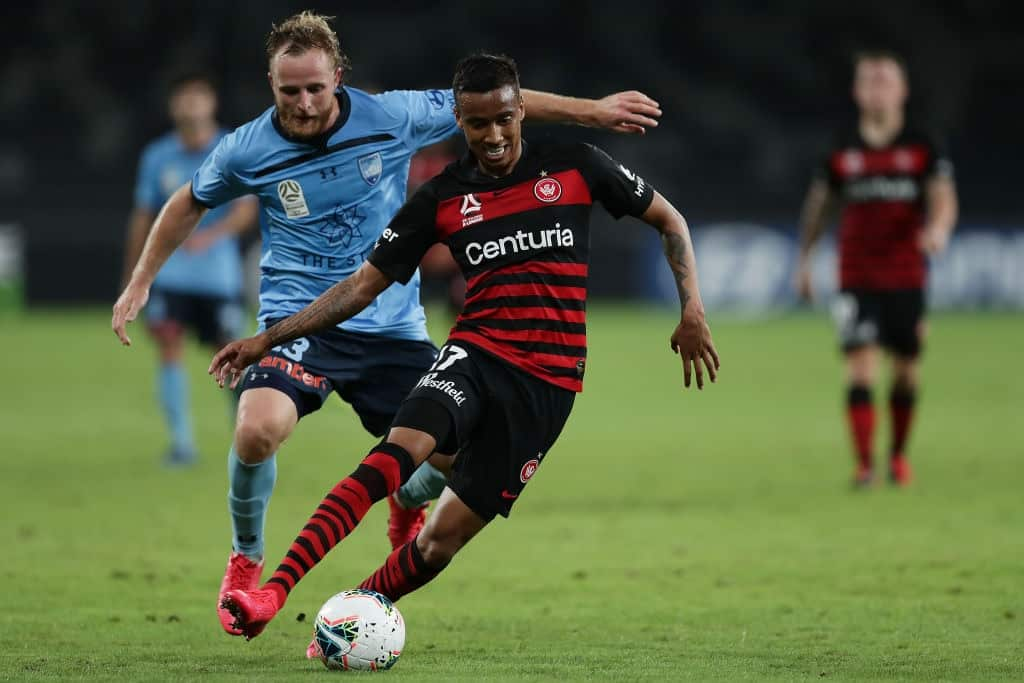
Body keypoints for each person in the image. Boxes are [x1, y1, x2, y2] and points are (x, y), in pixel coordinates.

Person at [110, 12, 665, 635]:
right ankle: (245, 558)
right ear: (271, 85)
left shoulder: (394, 115)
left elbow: (492, 102)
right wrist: (141, 279)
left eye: (315, 87)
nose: (303, 102)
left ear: (337, 77)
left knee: (454, 466)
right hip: (303, 327)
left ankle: (404, 498)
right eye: (288, 90)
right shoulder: (247, 147)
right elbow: (188, 200)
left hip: (393, 329)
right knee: (256, 429)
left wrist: (592, 112)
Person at [209, 52, 719, 643]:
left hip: (547, 385)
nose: (494, 135)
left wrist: (692, 308)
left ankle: (355, 611)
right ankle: (273, 591)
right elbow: (358, 287)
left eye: (504, 119)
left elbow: (669, 219)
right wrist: (267, 338)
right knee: (389, 459)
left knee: (439, 541)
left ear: (521, 110)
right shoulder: (441, 197)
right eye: (478, 124)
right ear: (460, 122)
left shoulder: (577, 165)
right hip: (472, 355)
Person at [794, 49, 958, 487]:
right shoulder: (842, 148)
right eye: (869, 80)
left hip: (907, 276)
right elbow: (819, 208)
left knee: (905, 372)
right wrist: (805, 260)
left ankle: (898, 457)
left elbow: (943, 198)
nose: (877, 89)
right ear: (856, 91)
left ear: (902, 89)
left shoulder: (923, 145)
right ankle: (865, 464)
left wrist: (939, 230)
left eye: (885, 80)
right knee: (861, 368)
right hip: (857, 276)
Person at [122, 72, 258, 466]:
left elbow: (246, 210)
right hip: (171, 275)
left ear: (211, 103)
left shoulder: (232, 147)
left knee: (231, 355)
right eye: (183, 97)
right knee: (169, 344)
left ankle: (247, 434)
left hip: (218, 277)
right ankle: (182, 443)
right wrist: (134, 276)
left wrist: (209, 235)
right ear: (173, 106)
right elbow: (143, 215)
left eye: (198, 96)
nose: (190, 105)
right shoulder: (157, 156)